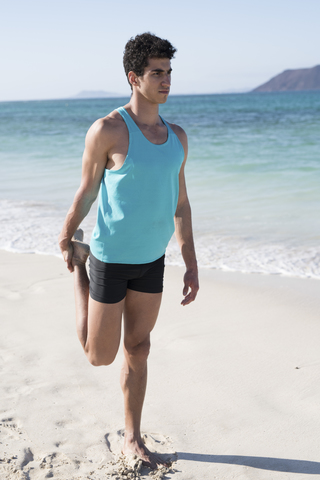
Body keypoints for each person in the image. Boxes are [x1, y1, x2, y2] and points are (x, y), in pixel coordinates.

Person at [58, 32, 199, 469]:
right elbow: (86, 191)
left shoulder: (177, 136)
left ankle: (132, 437)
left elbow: (181, 203)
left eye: (169, 72)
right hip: (109, 257)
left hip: (150, 262)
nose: (166, 80)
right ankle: (82, 273)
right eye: (157, 72)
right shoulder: (108, 130)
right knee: (99, 356)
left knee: (139, 348)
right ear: (134, 77)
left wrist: (191, 263)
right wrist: (67, 236)